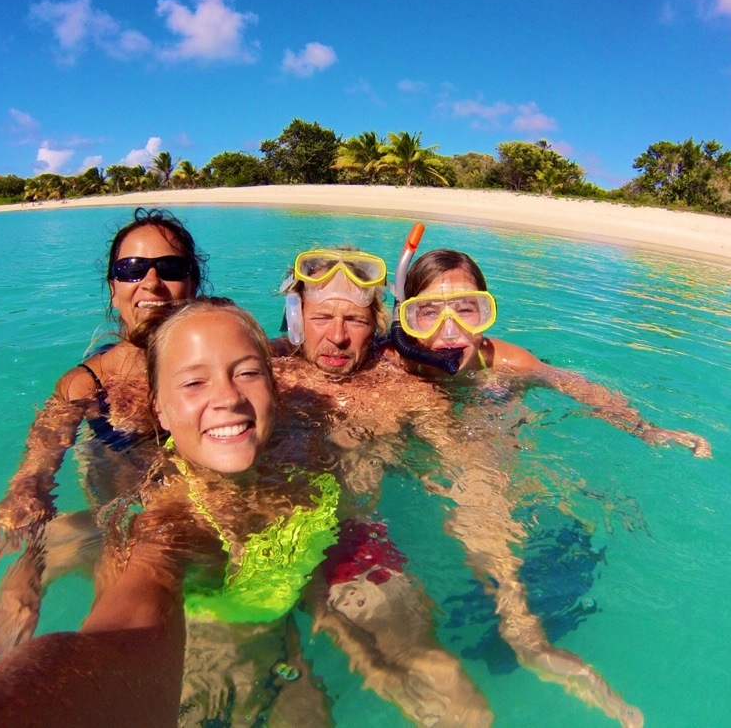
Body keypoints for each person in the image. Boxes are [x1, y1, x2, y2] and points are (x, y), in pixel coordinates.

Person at [0, 299, 338, 726]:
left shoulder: (297, 452)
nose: (228, 397)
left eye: (247, 373)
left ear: (276, 389)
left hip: (283, 648)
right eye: (194, 382)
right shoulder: (174, 525)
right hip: (201, 673)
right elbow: (121, 638)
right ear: (158, 410)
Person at [273, 246, 645, 727]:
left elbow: (469, 471)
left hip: (354, 541)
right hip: (254, 529)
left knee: (460, 711)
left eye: (355, 320)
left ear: (378, 326)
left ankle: (523, 632)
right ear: (296, 318)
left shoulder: (403, 385)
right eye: (321, 316)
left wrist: (518, 618)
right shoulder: (260, 367)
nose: (338, 336)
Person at [0, 207, 207, 669]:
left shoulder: (224, 363)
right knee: (108, 649)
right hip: (123, 528)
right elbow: (32, 478)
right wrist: (24, 569)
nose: (150, 283)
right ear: (114, 291)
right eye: (130, 270)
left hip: (202, 520)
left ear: (194, 285)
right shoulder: (85, 385)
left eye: (170, 268)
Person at [392, 247, 711, 456]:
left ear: (484, 316)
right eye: (429, 312)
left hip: (492, 407)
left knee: (496, 435)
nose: (449, 331)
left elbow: (574, 384)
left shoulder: (508, 361)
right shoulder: (399, 362)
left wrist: (644, 428)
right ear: (407, 320)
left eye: (465, 310)